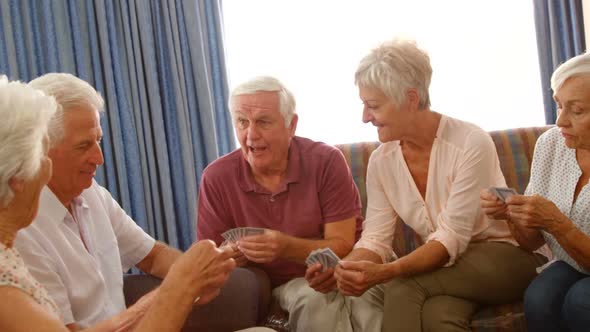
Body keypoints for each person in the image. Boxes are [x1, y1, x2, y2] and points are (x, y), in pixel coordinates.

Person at [332, 39, 546, 332]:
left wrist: (385, 272)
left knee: (402, 286)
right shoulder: (382, 161)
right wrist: (347, 267)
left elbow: (449, 237)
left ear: (410, 98)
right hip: (449, 267)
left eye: (373, 106)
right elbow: (376, 239)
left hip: (505, 256)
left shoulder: (470, 142)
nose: (365, 117)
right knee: (437, 316)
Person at [0, 75, 236, 332]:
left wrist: (192, 279)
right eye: (83, 146)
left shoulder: (92, 195)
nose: (99, 159)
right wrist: (179, 288)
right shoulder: (15, 262)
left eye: (98, 140)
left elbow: (153, 255)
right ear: (16, 177)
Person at [196, 76, 363, 331]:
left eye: (263, 122)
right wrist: (230, 255)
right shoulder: (216, 177)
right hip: (273, 286)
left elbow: (342, 243)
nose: (251, 136)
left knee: (371, 305)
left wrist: (284, 247)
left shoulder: (327, 161)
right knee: (315, 300)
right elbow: (208, 259)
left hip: (342, 270)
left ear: (291, 125)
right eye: (242, 122)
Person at [481, 52, 590, 332]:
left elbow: (554, 224)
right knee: (540, 297)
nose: (561, 121)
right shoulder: (551, 144)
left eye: (576, 110)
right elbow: (531, 243)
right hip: (574, 262)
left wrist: (557, 222)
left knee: (581, 301)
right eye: (559, 106)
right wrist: (512, 214)